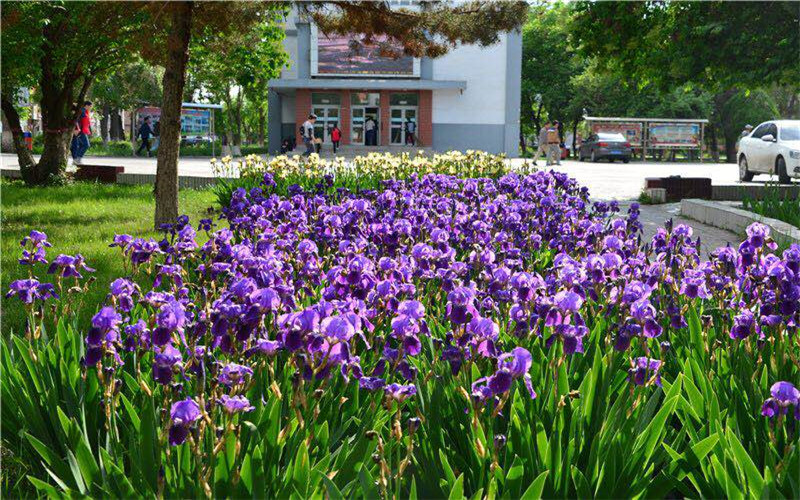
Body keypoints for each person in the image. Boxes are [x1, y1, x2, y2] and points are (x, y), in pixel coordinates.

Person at [72, 101, 92, 165]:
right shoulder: (82, 111)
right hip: (80, 131)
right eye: (90, 106)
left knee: (80, 145)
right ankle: (77, 159)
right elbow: (77, 120)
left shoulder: (85, 111)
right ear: (86, 105)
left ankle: (76, 160)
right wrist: (76, 129)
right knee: (86, 145)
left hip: (82, 130)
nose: (91, 108)